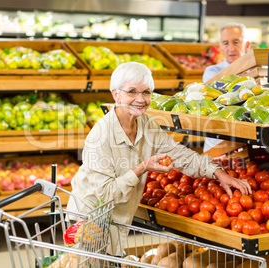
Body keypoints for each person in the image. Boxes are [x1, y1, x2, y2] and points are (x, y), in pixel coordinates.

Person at [67, 62, 251, 255]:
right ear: (116, 94)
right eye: (132, 92)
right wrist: (142, 168)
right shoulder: (100, 136)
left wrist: (218, 172)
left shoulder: (146, 123)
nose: (140, 99)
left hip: (117, 219)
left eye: (146, 92)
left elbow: (179, 154)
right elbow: (104, 194)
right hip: (89, 220)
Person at [202, 22, 252, 152]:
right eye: (225, 43)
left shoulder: (259, 71)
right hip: (218, 145)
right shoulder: (212, 72)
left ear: (247, 45)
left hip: (248, 145)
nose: (231, 48)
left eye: (236, 42)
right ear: (220, 48)